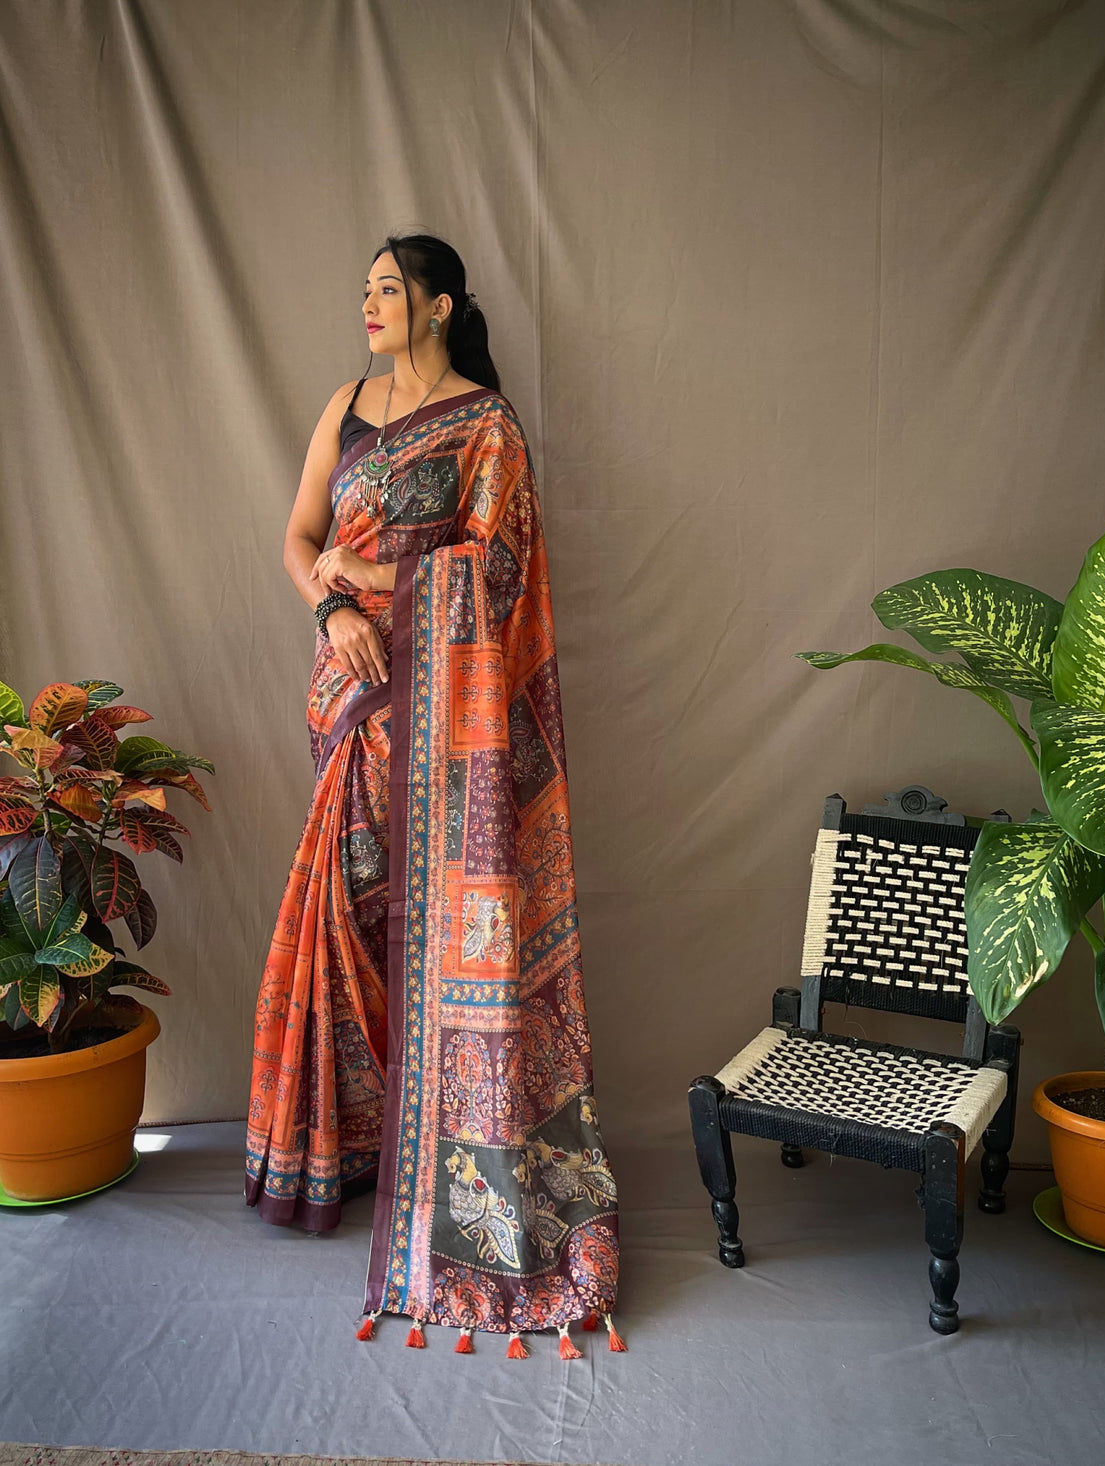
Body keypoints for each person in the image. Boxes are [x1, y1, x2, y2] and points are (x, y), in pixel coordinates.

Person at [244, 234, 622, 1358]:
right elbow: (298, 535)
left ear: (440, 306)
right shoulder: (347, 406)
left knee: (432, 931)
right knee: (349, 917)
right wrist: (332, 611)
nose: (366, 302)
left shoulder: (487, 427)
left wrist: (368, 579)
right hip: (350, 694)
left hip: (445, 713)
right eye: (361, 285)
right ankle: (349, 1147)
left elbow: (495, 575)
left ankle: (444, 1153)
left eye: (388, 288)